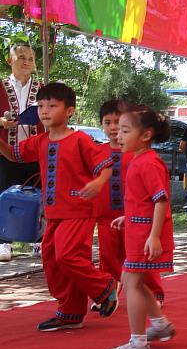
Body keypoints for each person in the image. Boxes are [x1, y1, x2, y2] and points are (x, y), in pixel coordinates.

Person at [0, 82, 118, 330]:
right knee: (52, 261)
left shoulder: (80, 140)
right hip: (53, 214)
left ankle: (105, 287)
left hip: (79, 210)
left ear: (69, 111)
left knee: (68, 255)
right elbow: (12, 154)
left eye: (52, 106)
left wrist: (98, 183)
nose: (45, 111)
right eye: (41, 105)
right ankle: (70, 311)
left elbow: (106, 165)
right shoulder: (40, 141)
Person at [105, 105, 176, 349]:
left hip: (144, 235)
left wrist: (154, 235)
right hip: (139, 230)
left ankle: (138, 342)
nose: (118, 135)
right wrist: (130, 217)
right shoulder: (141, 159)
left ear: (145, 135)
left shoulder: (149, 162)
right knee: (137, 281)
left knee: (131, 282)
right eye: (117, 130)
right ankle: (159, 324)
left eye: (125, 130)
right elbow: (146, 200)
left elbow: (161, 200)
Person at [94, 100, 165, 308]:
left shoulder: (138, 155)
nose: (113, 128)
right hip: (106, 214)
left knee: (141, 257)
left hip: (134, 216)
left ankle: (155, 294)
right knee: (108, 258)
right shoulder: (97, 151)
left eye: (119, 123)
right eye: (108, 122)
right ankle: (107, 292)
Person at [0, 44, 44, 261]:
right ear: (10, 60)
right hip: (5, 150)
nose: (26, 62)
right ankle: (4, 242)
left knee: (38, 193)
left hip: (35, 151)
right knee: (4, 193)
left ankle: (39, 241)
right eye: (21, 57)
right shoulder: (0, 85)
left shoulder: (42, 87)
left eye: (30, 58)